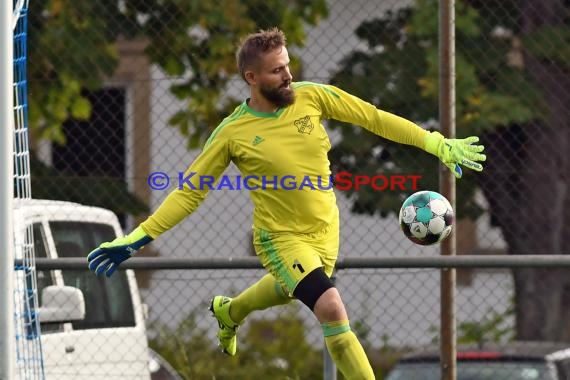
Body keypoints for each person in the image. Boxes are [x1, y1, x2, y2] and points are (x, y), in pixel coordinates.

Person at [87, 27, 485, 379]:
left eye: (287, 65)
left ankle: (231, 311)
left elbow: (374, 117)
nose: (288, 75)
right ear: (252, 77)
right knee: (329, 305)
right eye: (277, 70)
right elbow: (189, 192)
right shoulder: (232, 133)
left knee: (290, 287)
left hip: (325, 232)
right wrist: (136, 237)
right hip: (280, 238)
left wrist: (436, 143)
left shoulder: (312, 97)